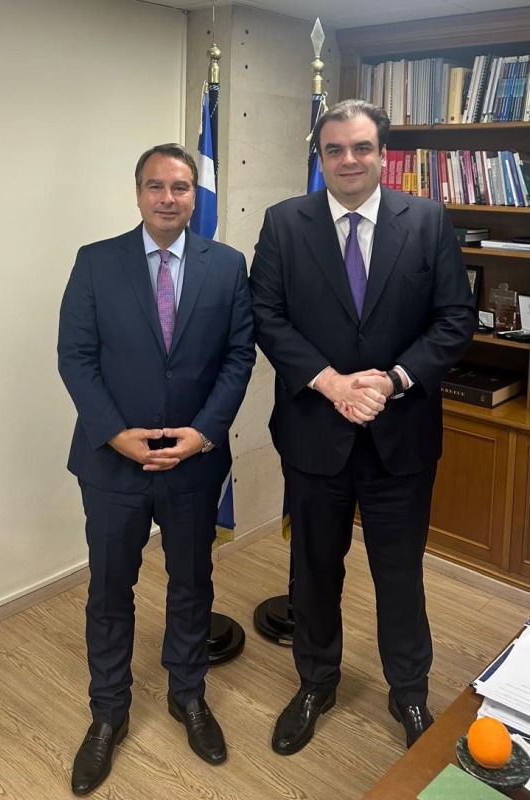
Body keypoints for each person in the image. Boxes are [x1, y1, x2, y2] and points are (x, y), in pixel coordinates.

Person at [249, 100, 476, 756]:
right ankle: (316, 682)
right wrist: (330, 383)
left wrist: (393, 379)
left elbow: (454, 318)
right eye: (334, 150)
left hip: (399, 435)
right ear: (320, 157)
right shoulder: (284, 223)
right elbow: (265, 315)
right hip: (314, 433)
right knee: (314, 570)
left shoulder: (427, 220)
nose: (348, 160)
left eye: (361, 148)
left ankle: (409, 690)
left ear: (382, 154)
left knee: (399, 574)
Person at [58, 143, 255, 794]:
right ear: (138, 192)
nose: (168, 197)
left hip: (192, 463)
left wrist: (203, 433)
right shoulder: (96, 262)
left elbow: (239, 356)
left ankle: (187, 694)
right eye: (155, 186)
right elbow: (75, 356)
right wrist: (115, 434)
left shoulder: (226, 265)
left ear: (195, 195)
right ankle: (108, 712)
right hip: (112, 464)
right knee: (109, 591)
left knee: (191, 584)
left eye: (180, 187)